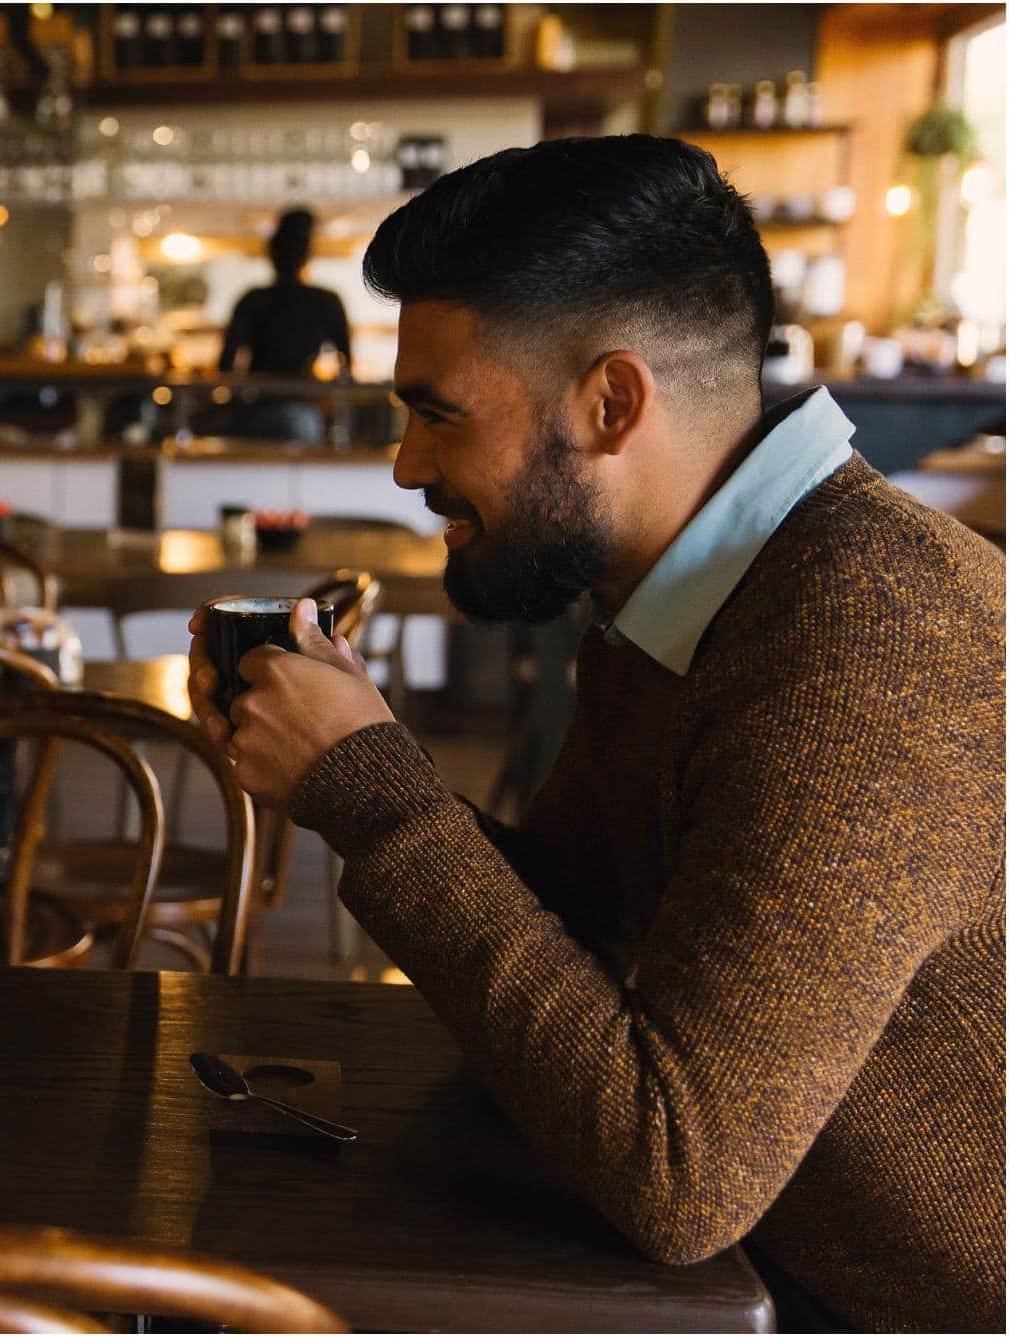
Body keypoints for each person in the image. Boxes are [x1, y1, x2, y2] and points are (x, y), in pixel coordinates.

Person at [188, 137, 1003, 1332]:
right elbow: (587, 926)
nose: (405, 463)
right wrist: (347, 763)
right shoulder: (693, 597)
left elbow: (680, 1168)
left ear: (610, 402)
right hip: (773, 1272)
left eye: (435, 414)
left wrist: (367, 788)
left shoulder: (864, 637)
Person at [217, 207, 352, 443]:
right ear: (307, 254)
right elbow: (347, 366)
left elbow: (226, 364)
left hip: (255, 410)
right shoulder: (326, 302)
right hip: (302, 411)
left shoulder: (252, 300)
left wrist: (233, 403)